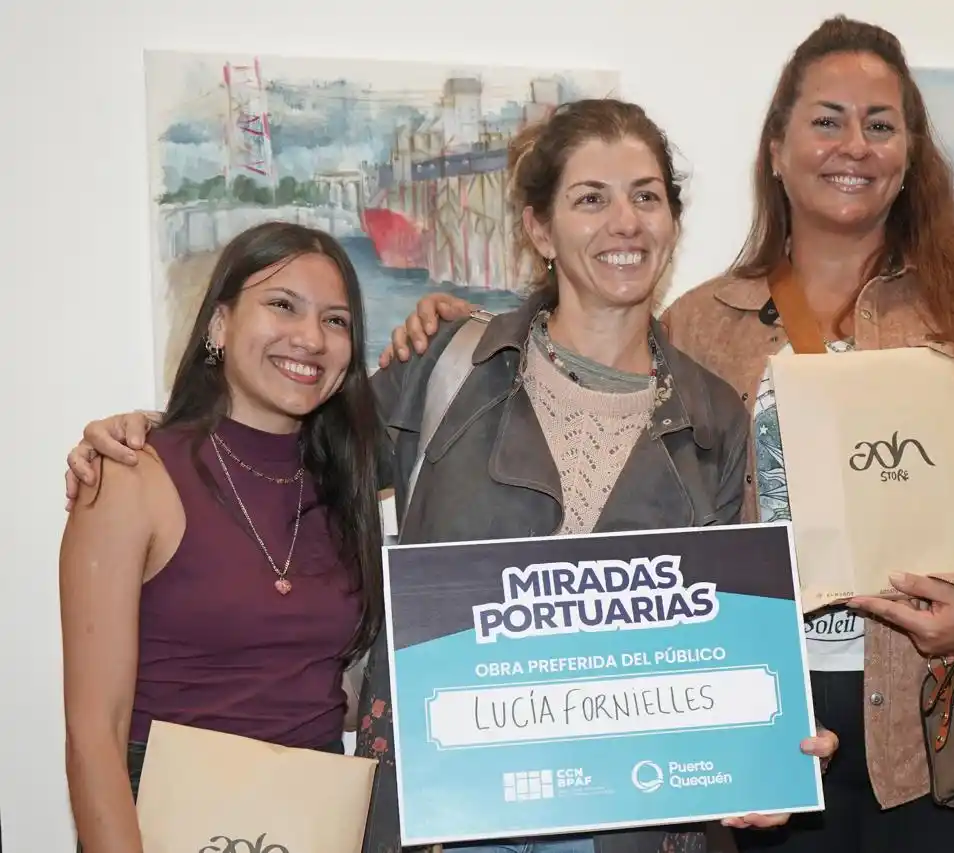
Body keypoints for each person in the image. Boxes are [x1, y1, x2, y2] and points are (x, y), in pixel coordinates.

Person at [371, 16, 954, 853]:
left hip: (941, 724)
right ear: (776, 147)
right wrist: (462, 329)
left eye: (881, 124)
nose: (855, 145)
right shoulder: (698, 327)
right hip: (759, 724)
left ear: (911, 151)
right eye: (828, 119)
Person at [61, 99, 837, 853]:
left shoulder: (716, 419)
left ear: (672, 219)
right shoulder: (447, 366)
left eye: (646, 197)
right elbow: (278, 456)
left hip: (630, 821)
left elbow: (723, 639)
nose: (625, 223)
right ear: (539, 226)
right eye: (590, 198)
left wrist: (772, 748)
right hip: (448, 814)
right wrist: (149, 433)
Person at [59, 221, 385, 853]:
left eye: (336, 321)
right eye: (282, 305)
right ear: (219, 325)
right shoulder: (130, 474)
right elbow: (92, 734)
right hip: (166, 827)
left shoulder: (346, 487)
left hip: (315, 825)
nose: (311, 338)